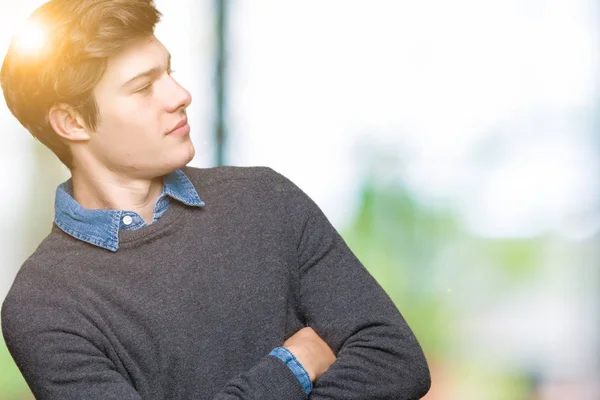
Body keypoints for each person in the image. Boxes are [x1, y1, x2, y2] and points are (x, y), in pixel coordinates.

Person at [0, 0, 431, 399]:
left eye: (169, 72)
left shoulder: (267, 201)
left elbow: (396, 362)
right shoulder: (43, 305)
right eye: (142, 87)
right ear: (72, 122)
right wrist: (294, 365)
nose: (180, 95)